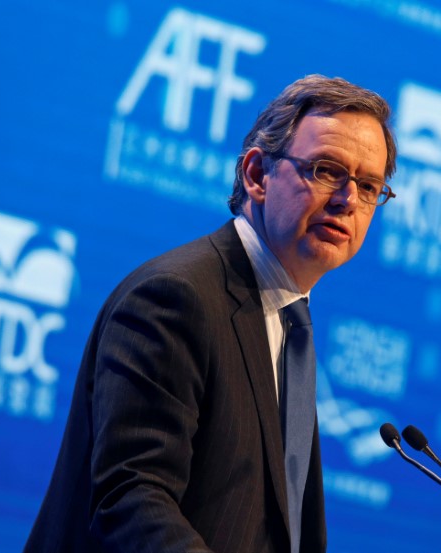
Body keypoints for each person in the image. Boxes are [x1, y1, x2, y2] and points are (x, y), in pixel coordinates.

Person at [24, 74, 397, 553]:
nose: (348, 200)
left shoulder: (288, 321)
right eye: (327, 170)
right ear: (258, 175)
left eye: (369, 186)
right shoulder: (175, 299)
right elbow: (130, 498)